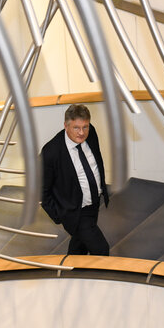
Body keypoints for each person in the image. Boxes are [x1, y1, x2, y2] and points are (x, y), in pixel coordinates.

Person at [40, 104, 110, 255]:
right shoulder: (51, 152)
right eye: (76, 128)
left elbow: (96, 161)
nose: (81, 133)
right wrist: (59, 214)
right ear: (66, 125)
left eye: (85, 127)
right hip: (75, 210)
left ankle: (72, 271)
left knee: (79, 245)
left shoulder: (91, 133)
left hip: (94, 203)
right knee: (101, 249)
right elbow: (42, 191)